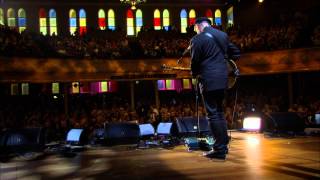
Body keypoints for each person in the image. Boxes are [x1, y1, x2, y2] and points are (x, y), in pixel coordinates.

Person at [190, 17, 240, 159]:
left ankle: (219, 149)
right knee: (219, 113)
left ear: (199, 26)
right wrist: (224, 63)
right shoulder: (222, 35)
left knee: (213, 114)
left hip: (208, 80)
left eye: (195, 28)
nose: (196, 30)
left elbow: (194, 64)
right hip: (223, 80)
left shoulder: (196, 40)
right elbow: (236, 53)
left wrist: (195, 74)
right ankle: (222, 147)